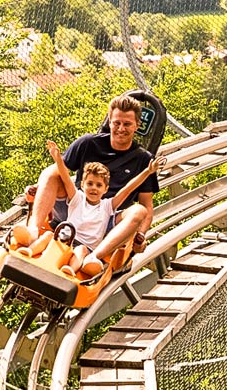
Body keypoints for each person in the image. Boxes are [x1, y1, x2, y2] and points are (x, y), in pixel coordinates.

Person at [13, 94, 160, 265]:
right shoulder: (88, 143)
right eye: (116, 123)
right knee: (50, 173)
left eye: (127, 124)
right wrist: (38, 187)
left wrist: (141, 235)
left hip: (107, 217)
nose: (121, 128)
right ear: (109, 122)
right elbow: (57, 171)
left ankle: (95, 257)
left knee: (138, 210)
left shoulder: (143, 159)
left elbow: (147, 206)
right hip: (75, 207)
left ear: (137, 126)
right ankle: (33, 230)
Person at [41, 140, 161, 276]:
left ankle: (70, 270)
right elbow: (66, 177)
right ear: (82, 185)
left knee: (81, 251)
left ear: (106, 189)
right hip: (66, 237)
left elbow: (128, 189)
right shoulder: (77, 198)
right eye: (90, 184)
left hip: (84, 245)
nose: (94, 188)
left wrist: (147, 172)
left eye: (98, 185)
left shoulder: (107, 206)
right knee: (47, 236)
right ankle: (31, 250)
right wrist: (57, 157)